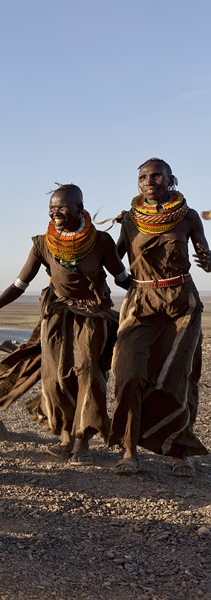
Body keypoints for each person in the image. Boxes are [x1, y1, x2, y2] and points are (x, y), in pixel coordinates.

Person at [0, 184, 128, 465]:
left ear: (79, 209)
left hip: (92, 315)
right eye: (51, 208)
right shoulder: (42, 244)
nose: (55, 213)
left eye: (62, 207)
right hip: (57, 315)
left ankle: (83, 440)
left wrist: (155, 294)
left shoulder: (101, 241)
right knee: (54, 378)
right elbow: (19, 284)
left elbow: (122, 278)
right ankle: (65, 438)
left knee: (87, 373)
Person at [109, 158, 210, 476]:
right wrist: (122, 281)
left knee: (177, 377)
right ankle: (129, 450)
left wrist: (209, 261)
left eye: (156, 176)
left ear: (170, 180)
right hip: (140, 304)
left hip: (180, 305)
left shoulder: (188, 216)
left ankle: (179, 452)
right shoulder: (129, 219)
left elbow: (205, 256)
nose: (149, 181)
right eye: (143, 177)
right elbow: (114, 258)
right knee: (129, 372)